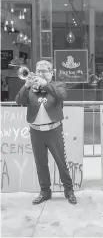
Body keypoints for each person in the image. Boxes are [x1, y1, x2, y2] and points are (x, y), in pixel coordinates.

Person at [15, 60, 77, 205]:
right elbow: (19, 101)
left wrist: (45, 84)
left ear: (52, 72)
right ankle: (45, 192)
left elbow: (61, 95)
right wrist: (26, 85)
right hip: (36, 131)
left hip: (53, 130)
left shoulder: (58, 85)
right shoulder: (30, 87)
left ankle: (69, 191)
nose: (40, 73)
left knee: (61, 162)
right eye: (38, 70)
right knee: (40, 163)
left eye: (44, 70)